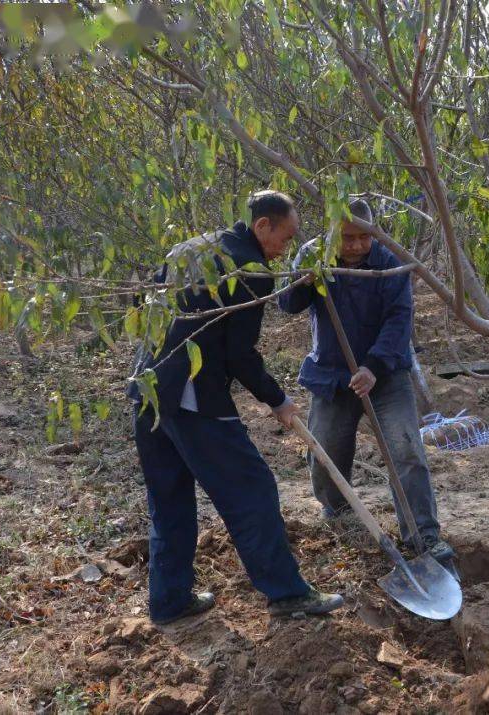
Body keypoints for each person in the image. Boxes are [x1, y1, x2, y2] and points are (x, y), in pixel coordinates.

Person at [127, 190, 343, 625]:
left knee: (168, 499)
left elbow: (141, 305)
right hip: (192, 396)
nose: (285, 250)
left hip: (148, 389)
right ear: (262, 226)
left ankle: (169, 602)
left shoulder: (190, 247)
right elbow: (239, 355)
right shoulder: (250, 270)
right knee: (253, 490)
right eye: (285, 237)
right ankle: (286, 593)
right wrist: (277, 400)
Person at [278, 199, 455, 569]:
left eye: (364, 237)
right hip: (331, 374)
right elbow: (288, 304)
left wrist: (373, 365)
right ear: (332, 234)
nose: (357, 245)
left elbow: (399, 318)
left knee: (406, 449)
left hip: (386, 374)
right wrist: (303, 281)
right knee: (325, 449)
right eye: (348, 238)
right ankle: (340, 514)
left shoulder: (390, 261)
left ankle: (423, 534)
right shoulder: (314, 256)